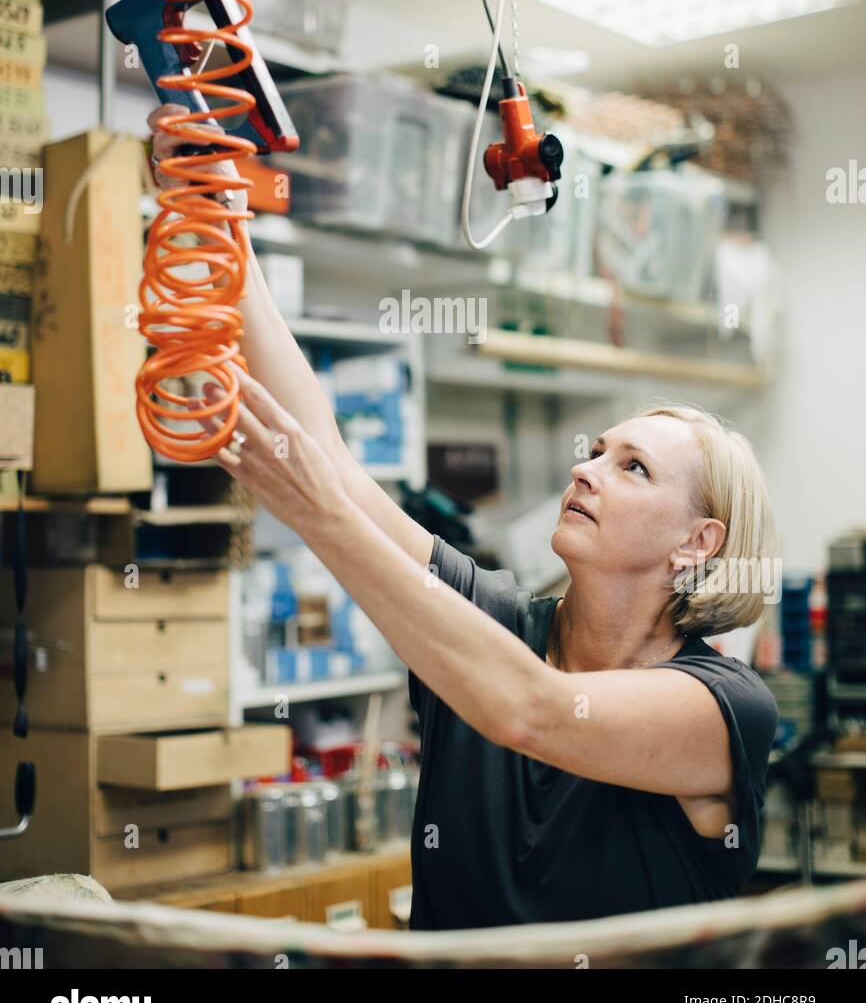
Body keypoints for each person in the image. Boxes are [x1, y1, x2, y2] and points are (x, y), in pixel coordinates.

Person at [149, 107, 779, 930]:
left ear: (699, 542)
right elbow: (331, 460)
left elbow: (535, 711)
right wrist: (219, 211)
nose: (585, 469)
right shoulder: (498, 620)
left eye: (632, 468)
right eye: (596, 449)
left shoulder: (724, 704)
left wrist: (324, 520)